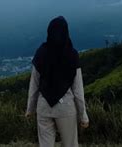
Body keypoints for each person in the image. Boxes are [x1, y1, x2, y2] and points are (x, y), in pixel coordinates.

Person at [25, 16, 89, 147]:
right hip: (65, 107)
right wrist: (83, 116)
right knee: (70, 144)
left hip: (44, 106)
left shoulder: (41, 52)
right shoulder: (72, 55)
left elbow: (34, 84)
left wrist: (30, 109)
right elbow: (78, 90)